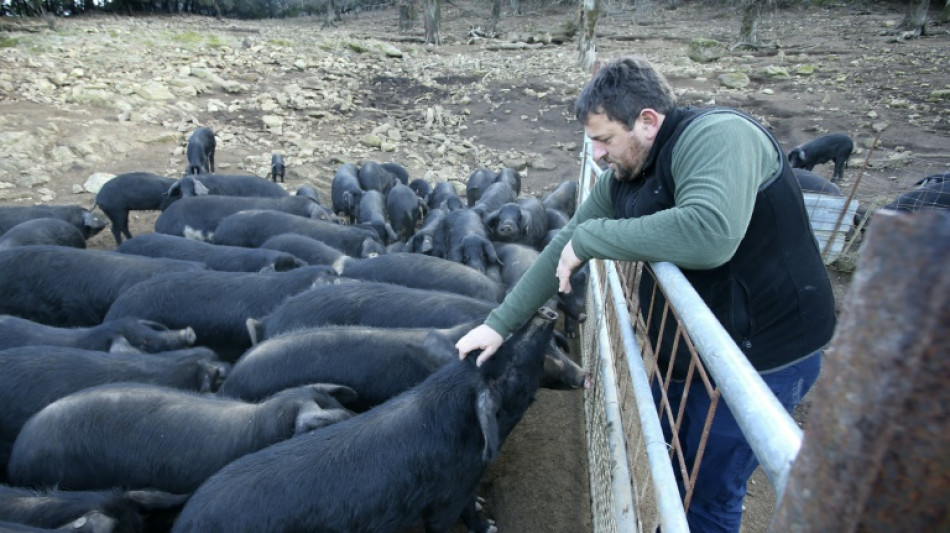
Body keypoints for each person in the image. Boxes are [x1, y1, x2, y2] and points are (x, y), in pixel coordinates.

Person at [455, 55, 836, 532]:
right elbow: (562, 245)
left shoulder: (719, 136)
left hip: (762, 360)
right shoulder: (629, 174)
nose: (597, 155)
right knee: (673, 465)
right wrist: (496, 326)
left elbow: (710, 232)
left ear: (648, 121)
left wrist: (593, 241)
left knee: (712, 494)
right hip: (692, 351)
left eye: (604, 139)